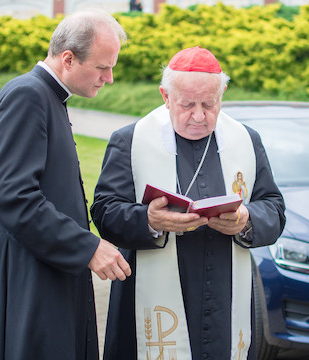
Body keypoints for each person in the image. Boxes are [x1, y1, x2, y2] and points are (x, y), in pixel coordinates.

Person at [90, 46, 286, 360]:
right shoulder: (131, 140)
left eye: (209, 104)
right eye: (187, 104)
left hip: (226, 294)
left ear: (222, 94)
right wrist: (150, 221)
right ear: (165, 96)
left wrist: (247, 218)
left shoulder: (245, 140)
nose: (199, 115)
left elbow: (274, 208)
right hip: (148, 296)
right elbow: (104, 211)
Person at [0, 9, 132, 360]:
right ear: (68, 58)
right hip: (31, 283)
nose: (109, 78)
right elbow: (10, 195)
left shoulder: (48, 97)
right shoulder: (28, 95)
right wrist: (87, 246)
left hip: (49, 273)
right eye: (102, 67)